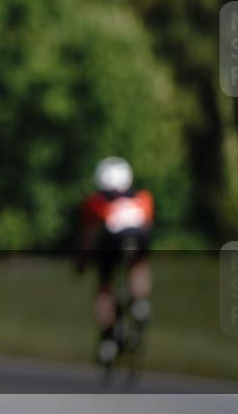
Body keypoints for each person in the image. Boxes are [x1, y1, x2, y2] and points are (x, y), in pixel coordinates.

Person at [78, 156, 153, 365]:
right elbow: (147, 224)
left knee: (104, 285)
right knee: (138, 264)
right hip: (139, 236)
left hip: (112, 240)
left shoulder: (95, 201)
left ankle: (107, 341)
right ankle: (140, 302)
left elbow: (89, 236)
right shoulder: (143, 197)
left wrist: (82, 261)